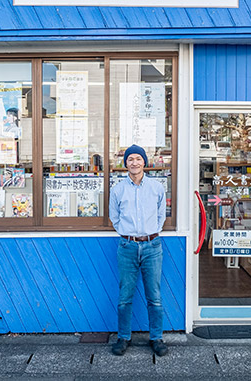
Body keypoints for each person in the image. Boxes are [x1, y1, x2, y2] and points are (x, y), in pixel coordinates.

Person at [109, 144, 168, 357]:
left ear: (145, 162)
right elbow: (114, 217)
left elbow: (161, 215)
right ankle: (123, 337)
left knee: (154, 296)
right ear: (126, 163)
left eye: (138, 159)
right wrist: (128, 235)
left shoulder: (156, 187)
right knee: (125, 295)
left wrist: (151, 233)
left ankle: (156, 338)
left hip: (152, 246)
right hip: (127, 246)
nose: (134, 162)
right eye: (130, 159)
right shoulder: (118, 189)